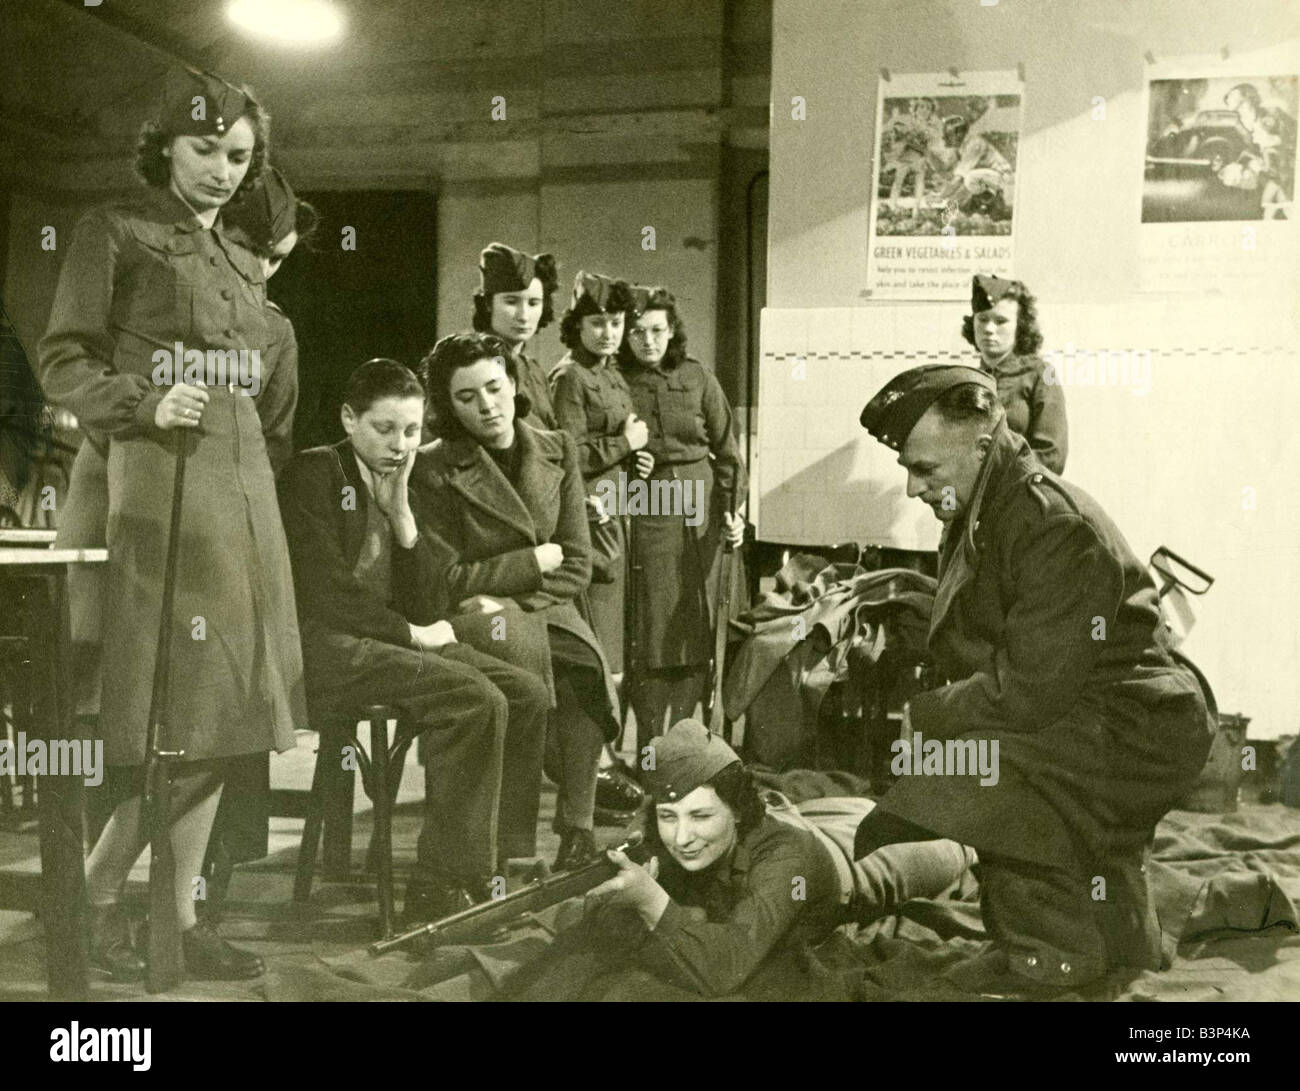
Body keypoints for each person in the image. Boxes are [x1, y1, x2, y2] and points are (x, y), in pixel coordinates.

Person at [36, 67, 303, 982]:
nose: (223, 171)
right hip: (158, 499)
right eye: (203, 150)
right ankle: (105, 898)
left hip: (240, 509)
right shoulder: (113, 232)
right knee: (176, 723)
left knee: (226, 719)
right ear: (163, 146)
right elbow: (62, 360)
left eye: (237, 155)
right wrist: (144, 403)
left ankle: (169, 913)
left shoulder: (236, 255)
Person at [854, 364, 1215, 997]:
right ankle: (1117, 939)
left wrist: (930, 715)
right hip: (1099, 712)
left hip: (1138, 728)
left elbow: (1026, 692)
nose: (912, 488)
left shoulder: (1050, 522)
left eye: (925, 469)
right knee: (1006, 774)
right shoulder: (992, 504)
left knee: (973, 771)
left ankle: (1050, 960)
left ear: (983, 440)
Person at [278, 358, 550, 919]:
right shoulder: (316, 472)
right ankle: (437, 886)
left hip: (386, 644)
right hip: (326, 648)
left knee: (526, 693)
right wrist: (410, 633)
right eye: (385, 429)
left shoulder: (402, 478)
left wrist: (402, 516)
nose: (400, 445)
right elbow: (323, 590)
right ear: (349, 418)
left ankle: (497, 864)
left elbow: (429, 602)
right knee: (475, 699)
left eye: (412, 431)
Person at [503, 719, 975, 1001]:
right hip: (802, 819)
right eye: (668, 816)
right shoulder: (669, 830)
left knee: (956, 841)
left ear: (738, 808)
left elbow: (725, 967)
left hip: (861, 863)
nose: (682, 837)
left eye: (701, 815)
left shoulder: (787, 857)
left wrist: (651, 901)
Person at [415, 333, 622, 870]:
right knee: (526, 676)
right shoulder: (431, 468)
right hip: (474, 618)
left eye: (494, 387)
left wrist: (515, 585)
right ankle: (512, 850)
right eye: (466, 397)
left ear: (513, 382)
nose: (487, 405)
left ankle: (577, 825)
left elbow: (576, 562)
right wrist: (534, 561)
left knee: (585, 672)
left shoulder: (557, 449)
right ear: (447, 404)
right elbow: (444, 580)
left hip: (541, 606)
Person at [618, 286, 745, 749]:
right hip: (649, 513)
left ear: (671, 332)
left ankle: (693, 746)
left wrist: (733, 512)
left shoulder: (698, 377)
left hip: (705, 514)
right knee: (653, 635)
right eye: (636, 332)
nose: (648, 341)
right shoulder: (616, 381)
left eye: (656, 330)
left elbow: (728, 453)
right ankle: (650, 749)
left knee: (699, 630)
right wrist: (631, 468)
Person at [548, 270, 645, 672]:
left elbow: (623, 438)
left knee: (614, 630)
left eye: (616, 323)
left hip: (617, 505)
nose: (608, 332)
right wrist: (625, 445)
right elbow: (568, 457)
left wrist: (638, 458)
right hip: (588, 510)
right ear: (578, 325)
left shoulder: (611, 373)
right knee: (596, 630)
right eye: (598, 323)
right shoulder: (569, 377)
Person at [962, 274, 1068, 474]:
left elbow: (1052, 456)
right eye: (982, 319)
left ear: (1020, 326)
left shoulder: (1042, 374)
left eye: (1000, 321)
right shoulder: (968, 380)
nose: (989, 329)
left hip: (1023, 493)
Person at [471, 242, 560, 430]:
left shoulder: (533, 369)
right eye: (511, 302)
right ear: (488, 304)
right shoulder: (477, 363)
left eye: (533, 303)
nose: (523, 315)